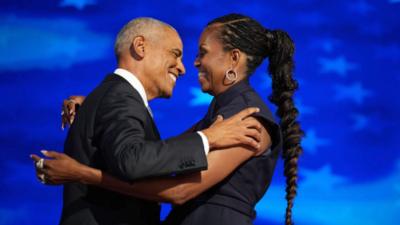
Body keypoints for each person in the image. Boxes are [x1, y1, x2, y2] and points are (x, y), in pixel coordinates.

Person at [32, 13, 304, 225]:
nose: (193, 64)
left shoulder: (247, 118)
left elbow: (179, 191)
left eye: (202, 53)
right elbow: (162, 155)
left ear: (234, 58)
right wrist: (96, 106)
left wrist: (84, 174)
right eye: (185, 54)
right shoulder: (219, 117)